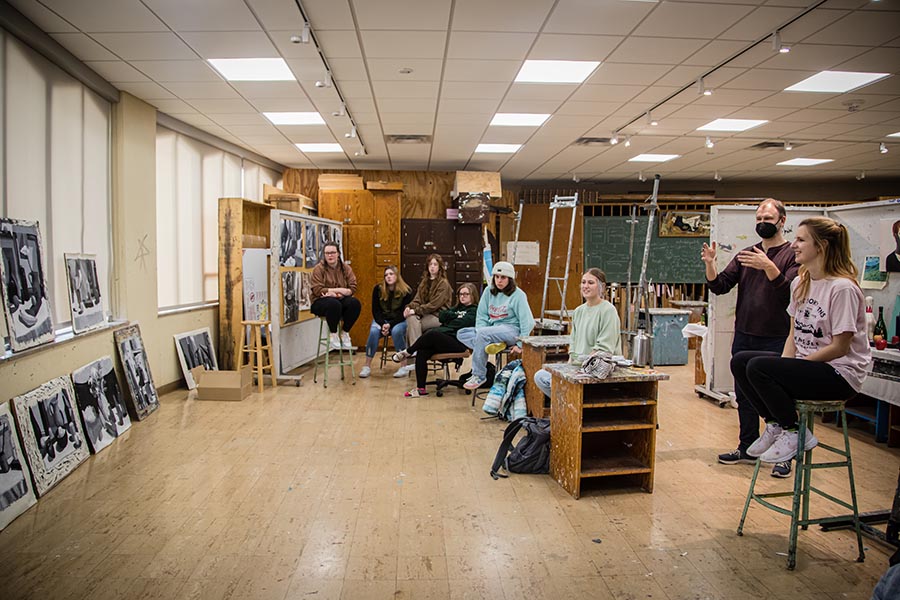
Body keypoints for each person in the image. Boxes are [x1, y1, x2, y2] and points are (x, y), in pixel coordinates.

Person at [731, 217, 872, 463]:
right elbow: (793, 334)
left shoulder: (842, 289)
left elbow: (840, 347)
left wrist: (792, 366)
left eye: (801, 239)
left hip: (839, 374)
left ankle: (795, 432)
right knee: (741, 361)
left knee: (758, 367)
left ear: (822, 246)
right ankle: (776, 424)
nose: (793, 245)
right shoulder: (800, 282)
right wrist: (786, 366)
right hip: (810, 365)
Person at [703, 198, 800, 478]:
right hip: (745, 334)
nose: (761, 224)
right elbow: (720, 286)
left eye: (767, 219)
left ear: (782, 221)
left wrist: (768, 266)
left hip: (777, 336)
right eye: (758, 219)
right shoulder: (747, 254)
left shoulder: (792, 254)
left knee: (780, 397)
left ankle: (786, 455)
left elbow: (790, 293)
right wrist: (711, 264)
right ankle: (747, 446)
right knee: (743, 395)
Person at [533, 268, 622, 398]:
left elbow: (604, 348)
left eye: (591, 283)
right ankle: (571, 404)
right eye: (583, 282)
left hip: (599, 370)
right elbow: (573, 341)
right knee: (541, 376)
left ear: (601, 287)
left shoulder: (608, 311)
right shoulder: (579, 311)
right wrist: (569, 366)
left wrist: (584, 368)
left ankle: (575, 403)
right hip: (578, 368)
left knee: (567, 387)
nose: (586, 286)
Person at [392, 283, 480, 397]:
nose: (462, 296)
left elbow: (461, 323)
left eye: (466, 294)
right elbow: (442, 316)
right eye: (460, 294)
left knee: (432, 333)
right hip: (445, 339)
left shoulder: (474, 311)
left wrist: (451, 317)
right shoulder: (456, 308)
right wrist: (453, 317)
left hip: (459, 342)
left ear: (473, 295)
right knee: (422, 352)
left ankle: (408, 351)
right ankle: (421, 389)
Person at [458, 262, 535, 390]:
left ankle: (479, 375)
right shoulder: (488, 291)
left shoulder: (518, 295)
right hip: (490, 330)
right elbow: (481, 316)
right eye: (496, 277)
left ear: (510, 279)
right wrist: (481, 331)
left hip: (511, 330)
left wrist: (521, 345)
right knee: (462, 333)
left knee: (482, 335)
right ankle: (490, 343)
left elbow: (528, 322)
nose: (499, 280)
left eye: (503, 277)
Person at [359, 266, 413, 379]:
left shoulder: (406, 291)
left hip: (399, 321)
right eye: (386, 275)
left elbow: (403, 313)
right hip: (382, 321)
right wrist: (383, 324)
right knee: (374, 331)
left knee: (397, 331)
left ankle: (403, 366)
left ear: (397, 276)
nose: (388, 277)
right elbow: (376, 310)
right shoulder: (378, 289)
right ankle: (367, 366)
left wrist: (390, 325)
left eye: (391, 274)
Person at [309, 241, 361, 351]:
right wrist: (338, 291)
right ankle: (333, 334)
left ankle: (344, 332)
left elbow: (353, 287)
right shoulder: (318, 269)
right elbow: (317, 289)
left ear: (338, 254)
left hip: (340, 299)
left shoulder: (346, 268)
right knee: (333, 304)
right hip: (320, 301)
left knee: (355, 303)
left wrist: (338, 292)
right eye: (327, 253)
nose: (330, 255)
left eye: (332, 252)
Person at [403, 254, 453, 348]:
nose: (432, 267)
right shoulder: (424, 282)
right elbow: (417, 300)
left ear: (439, 267)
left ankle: (415, 352)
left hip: (438, 315)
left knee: (411, 328)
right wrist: (409, 307)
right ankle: (416, 352)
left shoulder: (443, 284)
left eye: (435, 264)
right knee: (411, 320)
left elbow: (434, 305)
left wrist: (416, 311)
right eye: (430, 264)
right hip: (425, 314)